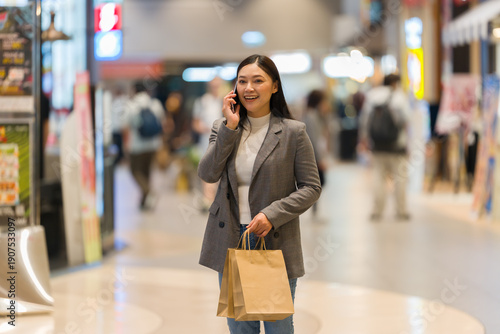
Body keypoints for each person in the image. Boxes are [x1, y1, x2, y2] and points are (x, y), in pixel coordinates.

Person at [198, 54, 321, 333]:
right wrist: (230, 127)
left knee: (278, 326)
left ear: (274, 86)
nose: (249, 88)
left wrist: (272, 214)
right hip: (233, 238)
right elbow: (207, 173)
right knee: (242, 328)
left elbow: (311, 187)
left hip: (273, 240)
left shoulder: (293, 133)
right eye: (242, 81)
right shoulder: (223, 128)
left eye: (258, 80)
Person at [359, 74, 411, 221]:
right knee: (400, 178)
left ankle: (377, 210)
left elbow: (364, 121)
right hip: (397, 145)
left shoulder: (372, 96)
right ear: (395, 83)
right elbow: (406, 121)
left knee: (378, 177)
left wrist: (364, 140)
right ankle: (401, 210)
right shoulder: (400, 97)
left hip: (377, 145)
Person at [123, 81, 165, 210]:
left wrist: (125, 145)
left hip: (137, 145)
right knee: (146, 173)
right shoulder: (154, 103)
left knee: (135, 171)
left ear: (134, 90)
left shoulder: (131, 105)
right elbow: (162, 122)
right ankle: (144, 202)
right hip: (153, 144)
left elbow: (124, 126)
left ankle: (149, 193)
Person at [192, 77, 223, 207]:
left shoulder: (224, 100)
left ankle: (217, 198)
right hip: (206, 140)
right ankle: (208, 199)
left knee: (220, 169)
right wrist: (209, 129)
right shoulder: (202, 101)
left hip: (223, 140)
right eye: (213, 85)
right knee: (207, 168)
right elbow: (196, 124)